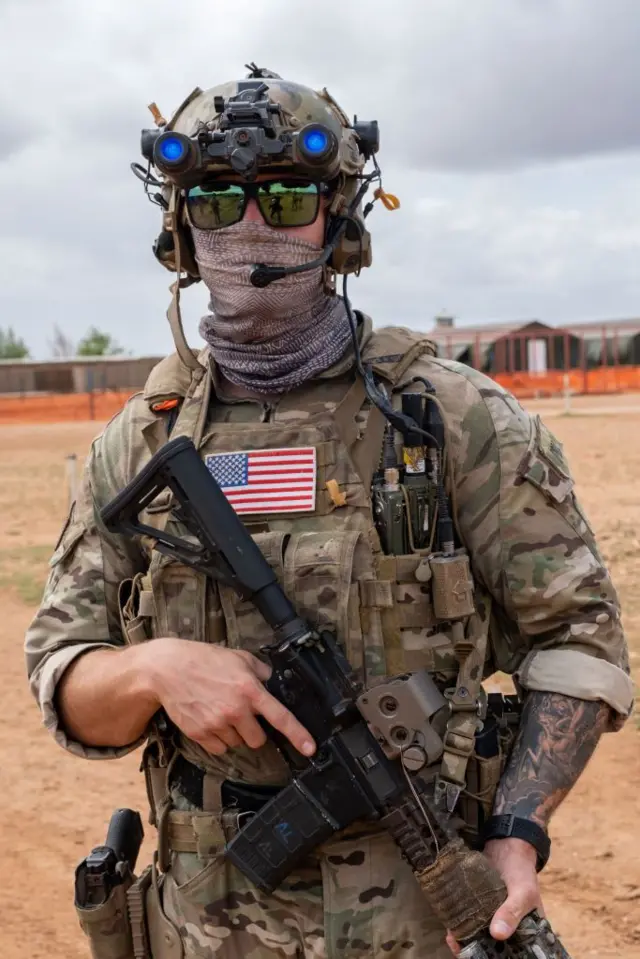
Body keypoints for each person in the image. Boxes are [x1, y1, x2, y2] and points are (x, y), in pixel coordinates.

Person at [25, 65, 632, 959]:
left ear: (338, 219)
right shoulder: (141, 443)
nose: (252, 229)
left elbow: (581, 639)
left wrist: (518, 827)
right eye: (219, 203)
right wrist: (154, 668)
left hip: (425, 922)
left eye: (285, 197)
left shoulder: (449, 417)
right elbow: (63, 676)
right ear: (182, 231)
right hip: (206, 928)